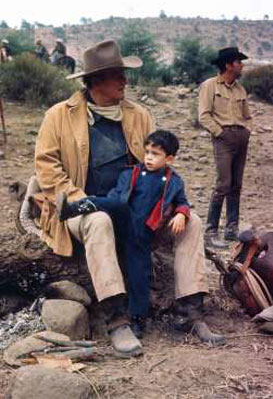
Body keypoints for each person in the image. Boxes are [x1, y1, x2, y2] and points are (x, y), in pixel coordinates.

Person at [35, 39, 224, 357]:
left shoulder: (139, 115)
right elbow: (46, 167)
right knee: (99, 220)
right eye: (118, 75)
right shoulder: (59, 116)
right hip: (83, 208)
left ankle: (189, 311)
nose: (125, 81)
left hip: (136, 208)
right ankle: (117, 318)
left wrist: (170, 206)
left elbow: (156, 165)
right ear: (96, 80)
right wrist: (82, 199)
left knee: (191, 222)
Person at [56, 130, 195, 336]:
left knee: (140, 275)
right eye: (147, 152)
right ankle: (74, 208)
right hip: (122, 221)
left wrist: (182, 214)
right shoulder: (131, 173)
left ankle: (138, 320)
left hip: (142, 233)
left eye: (155, 154)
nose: (148, 157)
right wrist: (110, 207)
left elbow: (182, 202)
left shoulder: (174, 182)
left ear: (170, 159)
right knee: (117, 203)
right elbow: (115, 197)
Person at [199, 47, 253, 249]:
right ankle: (210, 232)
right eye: (239, 62)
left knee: (236, 184)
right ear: (229, 65)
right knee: (223, 184)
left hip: (241, 137)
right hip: (223, 138)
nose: (242, 65)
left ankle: (231, 229)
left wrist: (247, 131)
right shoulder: (210, 86)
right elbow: (204, 115)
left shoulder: (240, 89)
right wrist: (221, 134)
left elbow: (247, 116)